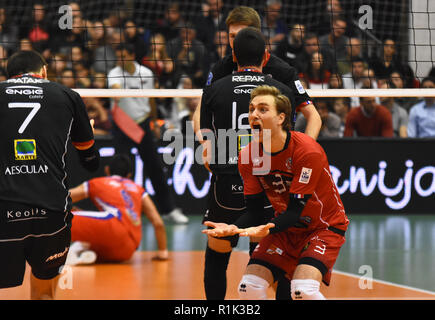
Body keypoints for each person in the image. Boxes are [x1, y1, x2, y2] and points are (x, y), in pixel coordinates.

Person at [193, 5, 321, 301]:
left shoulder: (283, 72)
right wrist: (206, 143)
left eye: (240, 36)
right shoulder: (220, 69)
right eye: (231, 36)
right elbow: (200, 114)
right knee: (237, 249)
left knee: (265, 256)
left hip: (264, 174)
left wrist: (300, 153)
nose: (234, 41)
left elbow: (314, 117)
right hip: (242, 172)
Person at [203, 85, 349, 300]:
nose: (254, 114)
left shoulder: (307, 151)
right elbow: (254, 212)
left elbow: (295, 210)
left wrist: (266, 230)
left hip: (323, 227)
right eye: (251, 109)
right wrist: (234, 227)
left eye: (263, 109)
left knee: (302, 291)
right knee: (248, 287)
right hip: (286, 228)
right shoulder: (249, 155)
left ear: (281, 118)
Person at [199, 27, 295, 300]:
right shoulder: (281, 92)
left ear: (233, 55)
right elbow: (288, 142)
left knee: (218, 252)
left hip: (227, 184)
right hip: (269, 184)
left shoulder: (214, 89)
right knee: (270, 257)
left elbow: (206, 139)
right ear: (266, 57)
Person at [0, 50, 100, 299]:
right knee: (45, 291)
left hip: (4, 209)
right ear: (44, 70)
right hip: (52, 210)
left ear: (7, 74)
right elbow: (89, 160)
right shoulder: (67, 95)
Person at [107, 44, 189, 224]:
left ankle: (169, 210)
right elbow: (115, 91)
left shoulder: (146, 73)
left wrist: (153, 121)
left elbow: (151, 98)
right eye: (117, 56)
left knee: (155, 168)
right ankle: (120, 211)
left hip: (143, 123)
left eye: (123, 55)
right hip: (123, 125)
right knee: (120, 169)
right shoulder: (114, 73)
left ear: (131, 54)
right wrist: (117, 92)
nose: (120, 60)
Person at [66, 154, 168, 265]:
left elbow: (63, 199)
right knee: (96, 229)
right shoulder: (139, 189)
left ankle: (63, 253)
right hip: (128, 250)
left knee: (56, 218)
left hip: (114, 227)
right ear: (129, 175)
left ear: (107, 170)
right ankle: (82, 252)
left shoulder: (97, 183)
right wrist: (162, 252)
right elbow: (158, 223)